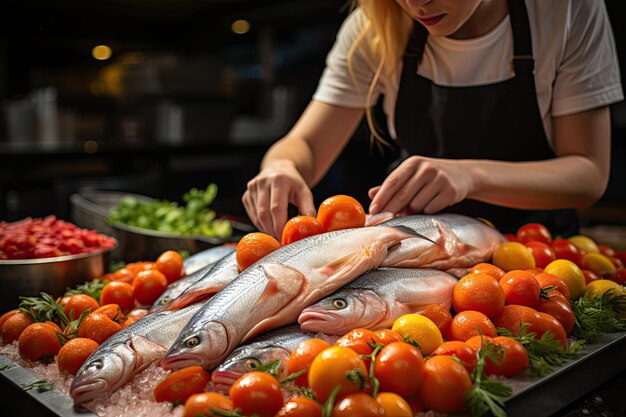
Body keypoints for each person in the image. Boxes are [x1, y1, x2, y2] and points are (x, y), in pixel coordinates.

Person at [242, 0, 623, 237]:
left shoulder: (566, 9)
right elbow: (306, 144)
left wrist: (470, 176)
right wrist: (283, 168)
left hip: (533, 254)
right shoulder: (376, 23)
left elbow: (588, 174)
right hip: (419, 254)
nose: (416, 3)